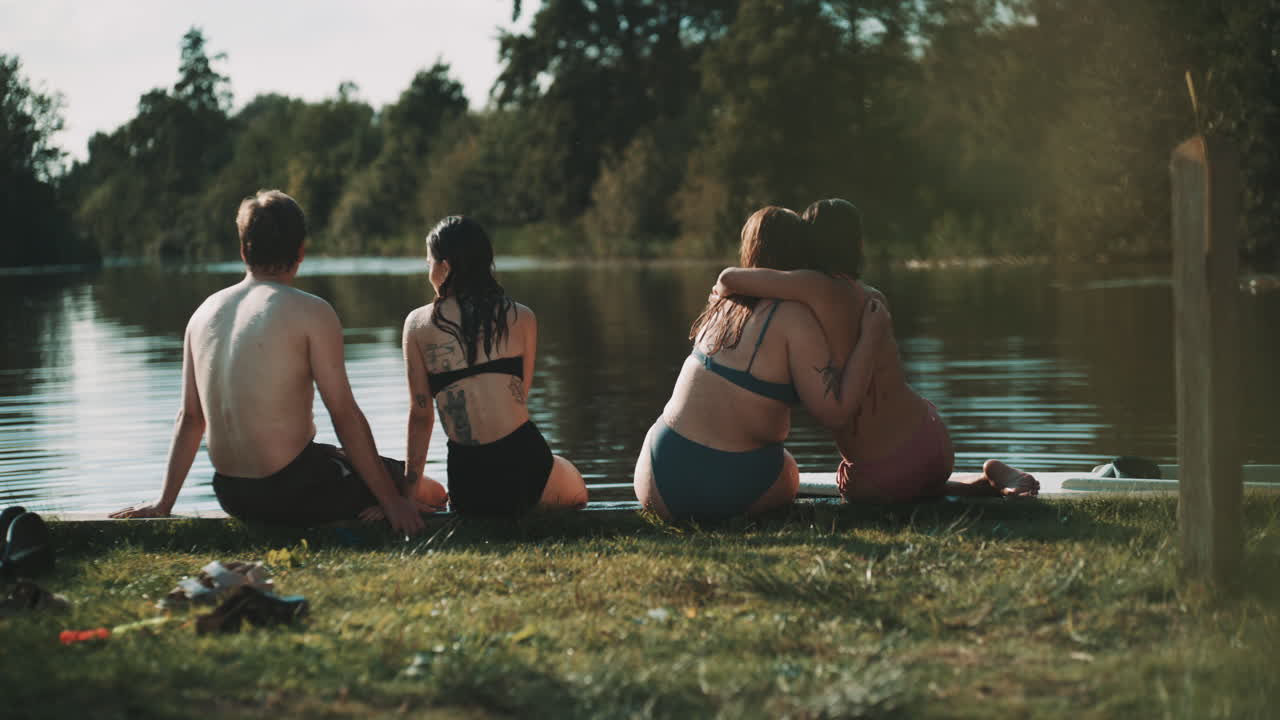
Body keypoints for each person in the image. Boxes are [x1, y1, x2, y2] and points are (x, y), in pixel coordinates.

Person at [110, 190, 439, 533]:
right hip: (294, 492)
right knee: (428, 491)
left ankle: (363, 491)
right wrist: (393, 503)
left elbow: (191, 418)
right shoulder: (312, 311)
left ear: (243, 250)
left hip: (231, 493)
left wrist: (164, 503)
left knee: (335, 456)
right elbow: (344, 414)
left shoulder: (202, 314)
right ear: (301, 251)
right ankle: (387, 503)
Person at [711, 198, 1039, 502]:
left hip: (884, 468)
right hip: (932, 437)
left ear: (809, 245)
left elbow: (730, 278)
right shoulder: (874, 298)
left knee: (857, 487)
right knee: (918, 481)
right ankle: (988, 478)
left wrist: (719, 296)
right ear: (859, 245)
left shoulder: (810, 287)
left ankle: (950, 481)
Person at [634, 206, 891, 522]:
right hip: (720, 492)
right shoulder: (795, 319)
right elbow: (835, 412)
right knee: (788, 468)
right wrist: (870, 336)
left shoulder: (721, 307)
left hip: (655, 476)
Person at [400, 215, 588, 515]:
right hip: (526, 464)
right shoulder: (522, 316)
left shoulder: (417, 324)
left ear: (445, 267)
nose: (429, 274)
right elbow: (520, 395)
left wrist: (408, 497)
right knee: (577, 490)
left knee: (446, 496)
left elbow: (421, 416)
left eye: (429, 265)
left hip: (468, 478)